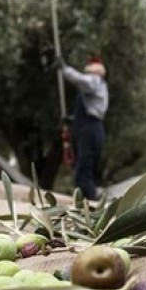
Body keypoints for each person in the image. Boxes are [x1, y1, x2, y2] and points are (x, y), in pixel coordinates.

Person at [57, 56, 108, 200]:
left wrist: (64, 68)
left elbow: (81, 80)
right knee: (83, 169)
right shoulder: (97, 88)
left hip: (89, 130)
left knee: (83, 172)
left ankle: (90, 204)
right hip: (87, 129)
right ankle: (88, 201)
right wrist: (72, 119)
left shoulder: (95, 81)